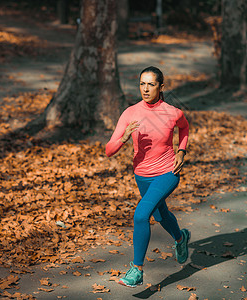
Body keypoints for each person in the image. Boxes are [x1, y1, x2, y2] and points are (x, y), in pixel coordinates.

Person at [105, 66, 190, 288]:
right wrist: (123, 138)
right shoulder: (130, 113)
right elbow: (108, 150)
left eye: (151, 84)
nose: (145, 88)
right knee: (161, 215)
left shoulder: (173, 112)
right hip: (142, 175)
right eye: (142, 83)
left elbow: (185, 128)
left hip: (167, 172)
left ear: (161, 87)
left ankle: (137, 270)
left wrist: (181, 150)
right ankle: (181, 238)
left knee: (142, 215)